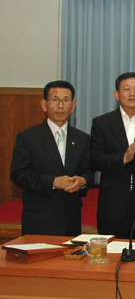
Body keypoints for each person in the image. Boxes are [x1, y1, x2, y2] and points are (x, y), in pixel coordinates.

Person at [10, 81, 95, 236]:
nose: (60, 106)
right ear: (44, 104)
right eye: (54, 100)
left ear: (73, 106)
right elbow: (18, 174)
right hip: (38, 219)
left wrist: (83, 181)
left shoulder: (83, 139)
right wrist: (52, 182)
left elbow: (89, 172)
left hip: (71, 219)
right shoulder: (28, 137)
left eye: (66, 100)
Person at [90, 72, 135, 240]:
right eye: (126, 89)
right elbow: (94, 159)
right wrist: (123, 158)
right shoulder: (101, 123)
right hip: (112, 202)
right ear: (117, 94)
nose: (132, 94)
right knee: (112, 250)